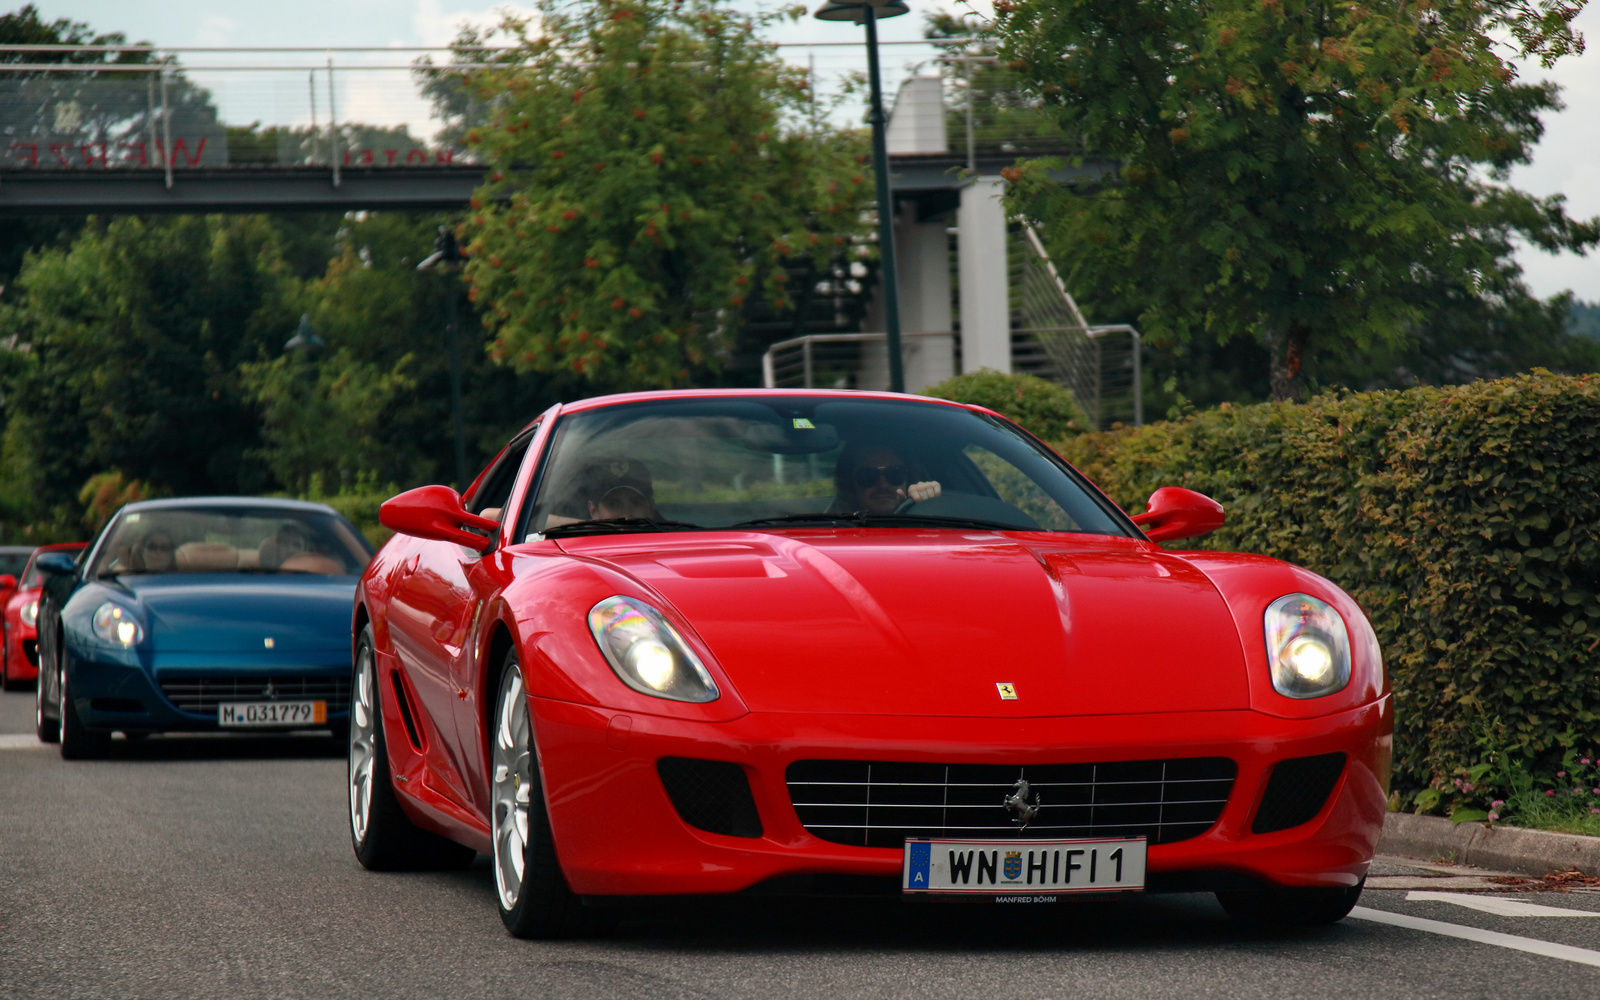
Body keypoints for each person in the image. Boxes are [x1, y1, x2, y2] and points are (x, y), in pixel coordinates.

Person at [832, 442, 941, 515]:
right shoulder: (827, 525)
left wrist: (929, 505)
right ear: (849, 484)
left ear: (908, 480)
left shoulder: (926, 521)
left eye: (895, 473)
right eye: (868, 475)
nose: (883, 485)